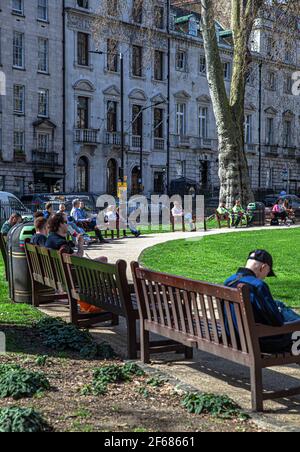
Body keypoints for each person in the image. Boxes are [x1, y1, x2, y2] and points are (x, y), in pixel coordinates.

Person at [225, 250, 300, 353]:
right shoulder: (257, 286)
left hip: (235, 336)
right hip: (260, 342)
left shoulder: (229, 281)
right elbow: (277, 321)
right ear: (263, 267)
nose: (265, 277)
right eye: (267, 272)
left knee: (278, 305)